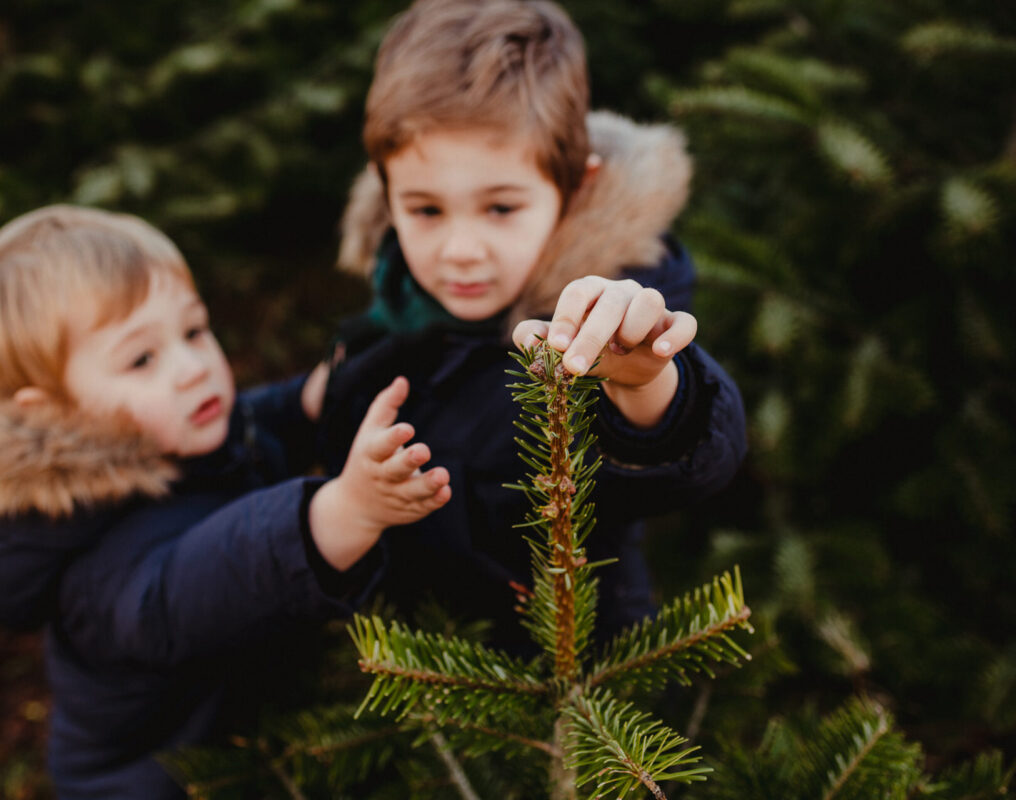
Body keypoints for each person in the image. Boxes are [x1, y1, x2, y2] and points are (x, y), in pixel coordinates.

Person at [0, 205, 451, 798]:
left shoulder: (170, 438)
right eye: (142, 359)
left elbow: (250, 426)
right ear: (55, 413)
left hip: (249, 744)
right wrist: (344, 510)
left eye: (193, 332)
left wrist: (314, 395)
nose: (194, 369)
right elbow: (210, 577)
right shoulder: (94, 558)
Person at [314, 0, 747, 649]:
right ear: (385, 195)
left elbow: (695, 456)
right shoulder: (401, 307)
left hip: (574, 682)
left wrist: (643, 383)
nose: (460, 249)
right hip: (409, 665)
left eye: (500, 208)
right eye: (426, 210)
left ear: (574, 189)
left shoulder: (604, 320)